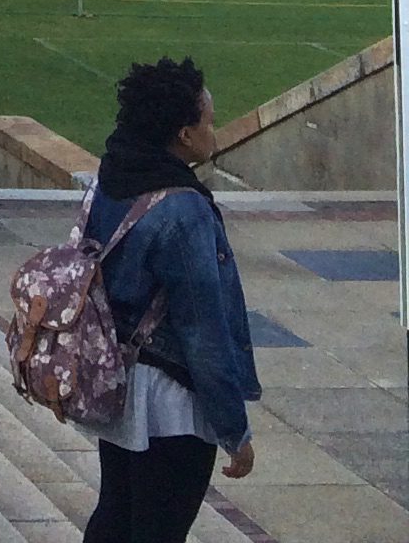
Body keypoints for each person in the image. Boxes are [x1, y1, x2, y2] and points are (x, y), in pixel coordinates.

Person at [79, 56, 258, 541]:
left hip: (120, 384)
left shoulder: (112, 177)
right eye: (208, 122)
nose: (213, 131)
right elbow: (204, 331)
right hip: (171, 404)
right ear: (183, 135)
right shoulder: (183, 210)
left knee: (116, 514)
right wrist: (234, 430)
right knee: (159, 528)